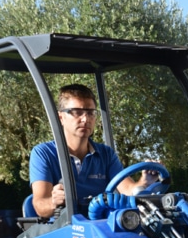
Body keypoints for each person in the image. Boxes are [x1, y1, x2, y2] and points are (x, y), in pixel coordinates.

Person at [29, 84, 156, 219]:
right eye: (77, 112)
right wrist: (53, 201)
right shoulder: (43, 153)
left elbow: (128, 190)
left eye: (90, 113)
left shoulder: (106, 154)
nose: (85, 119)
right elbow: (40, 206)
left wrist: (145, 182)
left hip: (99, 226)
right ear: (60, 117)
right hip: (64, 231)